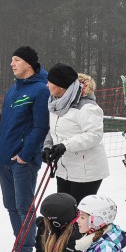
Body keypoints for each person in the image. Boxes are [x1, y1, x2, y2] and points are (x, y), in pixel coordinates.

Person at [0, 46, 50, 252]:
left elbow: (40, 126)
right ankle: (19, 249)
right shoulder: (14, 88)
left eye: (16, 59)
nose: (12, 63)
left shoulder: (40, 89)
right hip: (4, 157)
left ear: (28, 63)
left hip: (22, 160)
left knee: (23, 205)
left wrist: (25, 155)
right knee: (10, 205)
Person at [41, 63, 110, 202]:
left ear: (60, 85)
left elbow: (94, 134)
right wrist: (47, 147)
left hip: (86, 171)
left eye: (50, 82)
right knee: (65, 213)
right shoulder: (56, 103)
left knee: (78, 215)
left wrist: (65, 145)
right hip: (64, 168)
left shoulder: (86, 106)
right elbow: (54, 129)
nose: (47, 85)